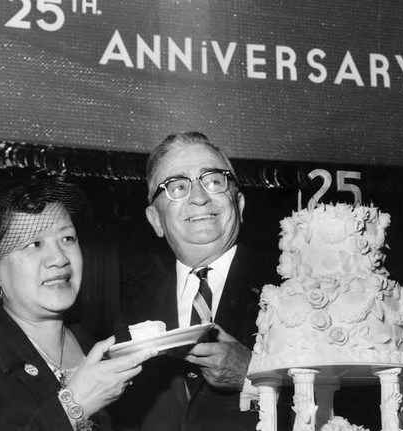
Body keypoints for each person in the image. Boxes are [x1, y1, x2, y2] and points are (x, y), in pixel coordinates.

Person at [0, 171, 156, 430]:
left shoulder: (101, 349)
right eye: (34, 243)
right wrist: (74, 407)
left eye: (67, 239)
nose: (59, 258)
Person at [110, 132, 291, 430]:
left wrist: (256, 376)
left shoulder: (293, 285)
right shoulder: (132, 308)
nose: (199, 197)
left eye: (213, 180)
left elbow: (352, 402)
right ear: (155, 219)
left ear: (240, 204)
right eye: (177, 186)